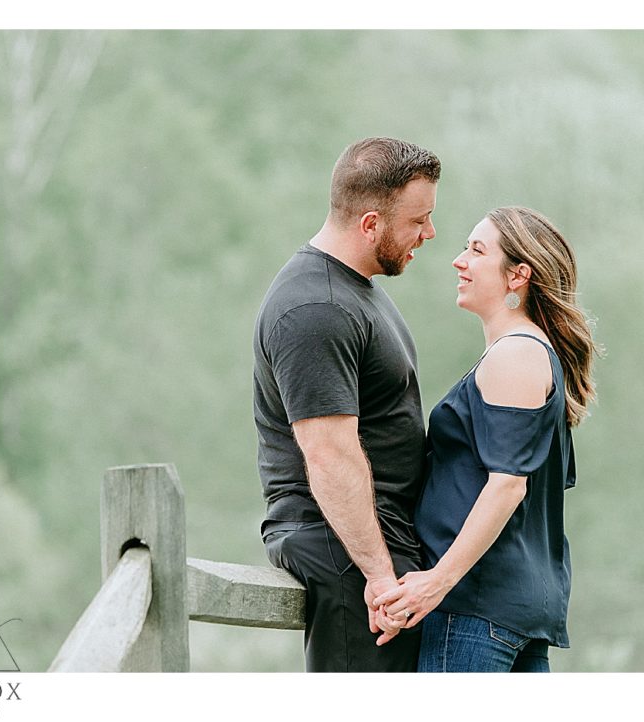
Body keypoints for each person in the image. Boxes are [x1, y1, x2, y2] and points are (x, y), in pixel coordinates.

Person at [372, 206, 598, 672]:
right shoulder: (526, 354)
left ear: (518, 275)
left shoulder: (516, 354)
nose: (459, 261)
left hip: (476, 609)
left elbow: (508, 485)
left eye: (476, 251)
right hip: (511, 610)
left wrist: (435, 582)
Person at [253, 137, 442, 672]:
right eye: (418, 221)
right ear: (370, 224)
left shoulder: (356, 292)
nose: (429, 234)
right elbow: (329, 452)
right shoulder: (317, 306)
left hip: (376, 548)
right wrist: (380, 578)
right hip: (346, 554)